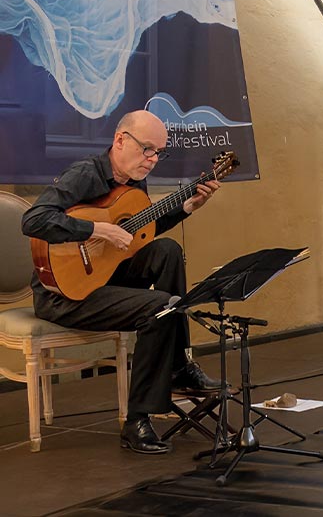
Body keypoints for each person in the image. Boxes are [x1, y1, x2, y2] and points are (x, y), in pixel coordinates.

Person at [22, 110, 222, 454]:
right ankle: (137, 421)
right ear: (120, 140)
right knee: (161, 308)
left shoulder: (132, 181)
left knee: (167, 251)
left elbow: (139, 233)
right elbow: (34, 220)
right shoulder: (85, 175)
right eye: (147, 149)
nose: (153, 160)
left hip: (103, 279)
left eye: (159, 152)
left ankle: (178, 367)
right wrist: (95, 229)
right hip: (65, 293)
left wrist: (186, 207)